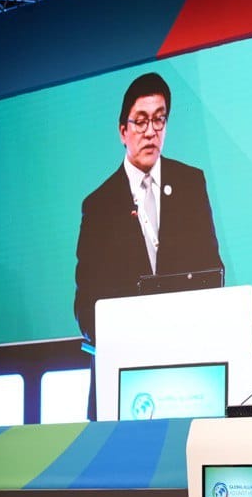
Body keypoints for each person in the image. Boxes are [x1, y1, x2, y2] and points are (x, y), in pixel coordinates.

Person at [73, 71, 224, 346]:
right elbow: (86, 304)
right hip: (127, 352)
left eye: (159, 120)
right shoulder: (98, 206)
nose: (151, 131)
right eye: (141, 122)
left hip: (187, 344)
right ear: (123, 131)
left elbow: (212, 272)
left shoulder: (190, 184)